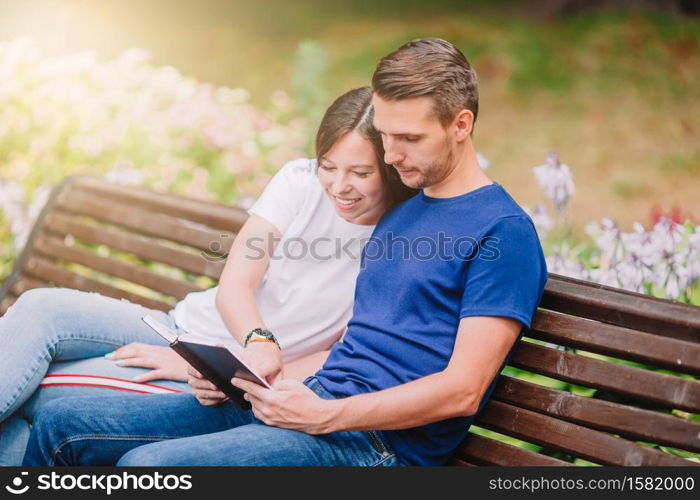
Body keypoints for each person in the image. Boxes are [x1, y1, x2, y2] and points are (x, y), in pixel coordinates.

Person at [23, 38, 548, 467]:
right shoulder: (404, 211)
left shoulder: (503, 233)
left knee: (151, 472)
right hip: (306, 399)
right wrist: (241, 378)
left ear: (461, 124)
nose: (390, 156)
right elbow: (353, 346)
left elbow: (462, 390)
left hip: (378, 443)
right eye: (385, 137)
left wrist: (326, 416)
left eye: (408, 138)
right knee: (64, 424)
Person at [0, 87, 415, 465]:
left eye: (360, 173)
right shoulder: (300, 180)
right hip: (181, 329)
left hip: (226, 383)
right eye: (329, 166)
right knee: (40, 307)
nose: (339, 186)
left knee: (42, 401)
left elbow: (340, 354)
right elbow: (236, 283)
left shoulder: (401, 239)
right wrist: (248, 341)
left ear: (391, 167)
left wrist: (218, 370)